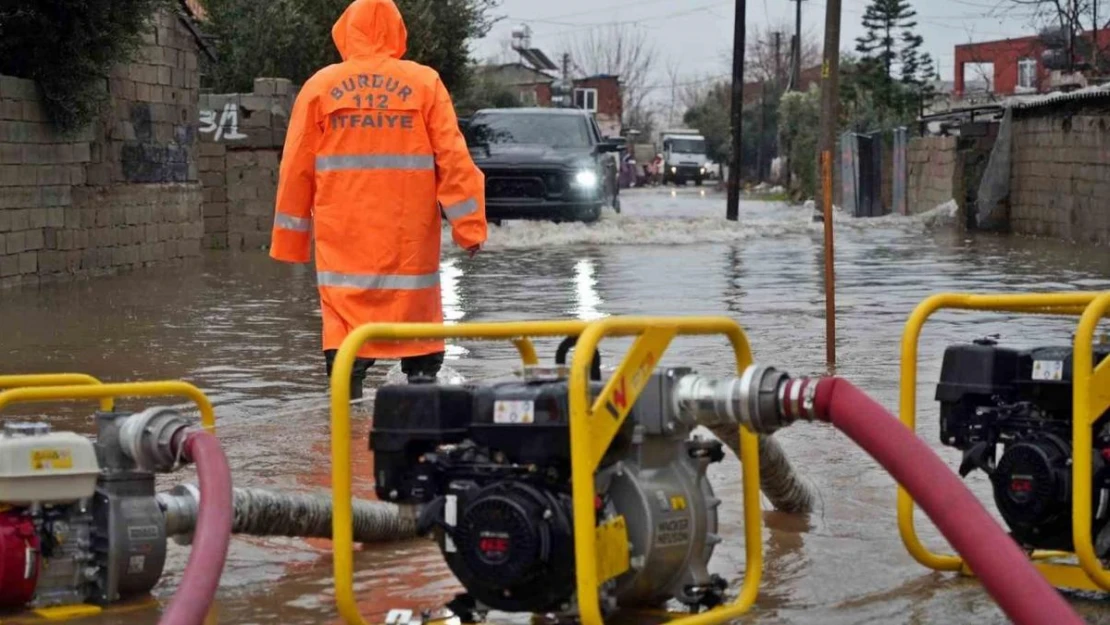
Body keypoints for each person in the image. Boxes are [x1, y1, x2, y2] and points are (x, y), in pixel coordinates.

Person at [269, 0, 487, 400]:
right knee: (420, 353)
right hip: (410, 249)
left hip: (344, 249)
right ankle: (419, 439)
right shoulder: (424, 83)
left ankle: (340, 446)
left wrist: (290, 241)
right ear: (397, 31)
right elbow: (454, 160)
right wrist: (469, 228)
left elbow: (296, 167)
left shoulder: (321, 86)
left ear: (345, 31)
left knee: (345, 355)